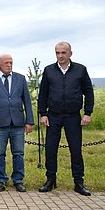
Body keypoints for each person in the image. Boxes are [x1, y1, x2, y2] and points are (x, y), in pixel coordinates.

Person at [37, 42, 94, 196]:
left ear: (70, 53)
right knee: (50, 149)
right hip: (53, 116)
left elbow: (88, 92)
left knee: (75, 149)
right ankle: (50, 180)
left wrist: (88, 113)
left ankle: (78, 182)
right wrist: (43, 114)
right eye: (57, 53)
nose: (60, 56)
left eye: (63, 53)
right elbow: (43, 94)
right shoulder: (49, 70)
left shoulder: (80, 70)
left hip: (73, 116)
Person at [0, 54, 34, 192]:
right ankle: (1, 180)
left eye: (11, 62)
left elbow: (27, 101)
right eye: (6, 63)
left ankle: (18, 180)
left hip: (17, 123)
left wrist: (29, 121)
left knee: (19, 153)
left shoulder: (20, 79)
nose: (9, 65)